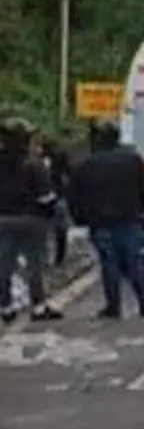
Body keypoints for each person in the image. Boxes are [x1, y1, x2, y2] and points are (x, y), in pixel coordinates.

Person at [69, 120, 144, 320]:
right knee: (134, 262)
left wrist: (83, 219)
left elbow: (75, 197)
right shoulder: (131, 161)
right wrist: (139, 209)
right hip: (128, 220)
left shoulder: (85, 166)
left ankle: (113, 306)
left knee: (109, 265)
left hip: (100, 224)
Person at [0, 118, 61, 322]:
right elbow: (47, 197)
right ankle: (38, 306)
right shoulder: (34, 164)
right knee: (34, 265)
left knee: (4, 265)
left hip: (4, 219)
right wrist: (50, 213)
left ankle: (6, 306)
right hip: (32, 220)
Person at [43, 135, 72, 268]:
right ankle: (59, 258)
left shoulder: (44, 164)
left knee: (49, 231)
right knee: (61, 232)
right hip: (60, 200)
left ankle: (50, 259)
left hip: (48, 200)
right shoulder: (63, 166)